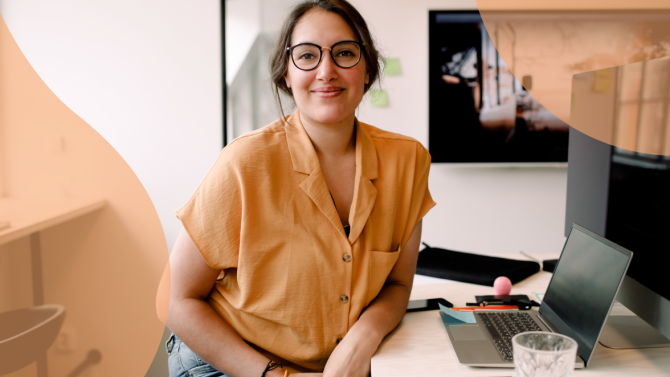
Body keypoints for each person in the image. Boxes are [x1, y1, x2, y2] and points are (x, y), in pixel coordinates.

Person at [164, 1, 435, 376]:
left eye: (344, 53)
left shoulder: (408, 161)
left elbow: (398, 284)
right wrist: (273, 375)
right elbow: (175, 300)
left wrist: (363, 336)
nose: (327, 71)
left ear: (368, 68)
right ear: (286, 75)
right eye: (307, 55)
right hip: (229, 360)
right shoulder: (243, 163)